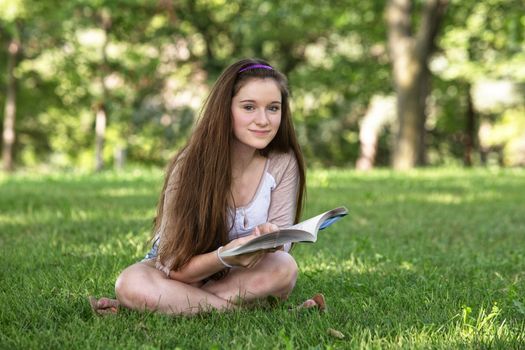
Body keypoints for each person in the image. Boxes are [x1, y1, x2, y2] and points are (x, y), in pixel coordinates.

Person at [90, 58, 324, 316]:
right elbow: (174, 266)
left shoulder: (283, 161)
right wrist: (224, 256)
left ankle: (172, 305)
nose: (263, 120)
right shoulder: (190, 163)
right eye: (248, 107)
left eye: (273, 108)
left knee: (284, 267)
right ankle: (247, 314)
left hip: (240, 274)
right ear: (225, 109)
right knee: (130, 283)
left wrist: (269, 237)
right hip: (180, 273)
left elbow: (282, 246)